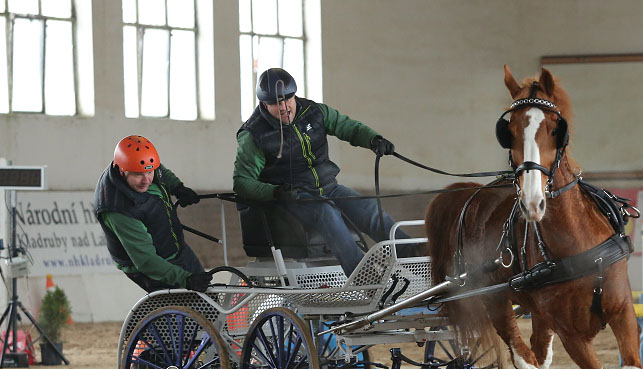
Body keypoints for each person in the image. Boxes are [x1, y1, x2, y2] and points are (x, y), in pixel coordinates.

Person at [233, 67, 416, 276]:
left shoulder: (315, 112)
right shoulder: (254, 135)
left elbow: (346, 126)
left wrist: (373, 139)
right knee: (326, 213)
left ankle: (412, 253)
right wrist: (275, 192)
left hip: (329, 188)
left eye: (288, 99)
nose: (284, 107)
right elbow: (242, 182)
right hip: (293, 197)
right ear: (264, 104)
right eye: (276, 103)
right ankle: (364, 276)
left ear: (295, 95)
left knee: (368, 209)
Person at [94, 135, 212, 293]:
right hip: (150, 268)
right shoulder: (118, 210)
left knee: (209, 299)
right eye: (137, 175)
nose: (146, 180)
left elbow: (159, 171)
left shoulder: (142, 165)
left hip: (176, 249)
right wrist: (185, 279)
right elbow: (146, 261)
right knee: (186, 307)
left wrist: (177, 187)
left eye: (149, 173)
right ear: (122, 171)